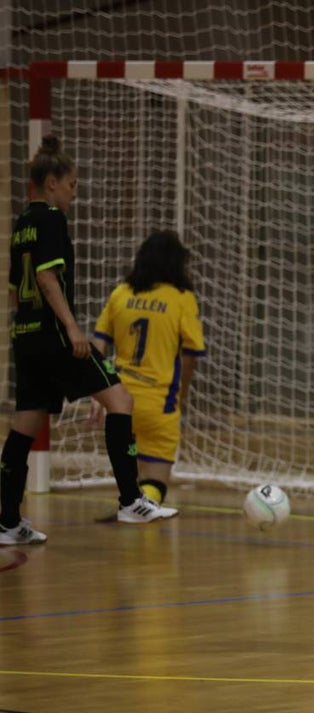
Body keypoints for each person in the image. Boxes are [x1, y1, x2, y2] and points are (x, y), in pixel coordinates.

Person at [0, 135, 177, 546]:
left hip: (24, 337)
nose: (74, 192)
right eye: (72, 184)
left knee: (25, 423)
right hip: (55, 336)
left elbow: (14, 291)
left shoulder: (21, 224)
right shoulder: (50, 219)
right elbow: (46, 278)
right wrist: (72, 329)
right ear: (52, 183)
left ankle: (7, 521)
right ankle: (131, 501)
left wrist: (31, 325)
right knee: (121, 401)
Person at [90, 230, 206, 510]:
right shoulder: (181, 298)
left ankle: (131, 505)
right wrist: (180, 395)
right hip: (159, 403)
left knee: (131, 470)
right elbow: (191, 354)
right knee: (156, 483)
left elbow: (98, 344)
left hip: (119, 402)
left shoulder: (121, 294)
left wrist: (98, 392)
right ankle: (142, 505)